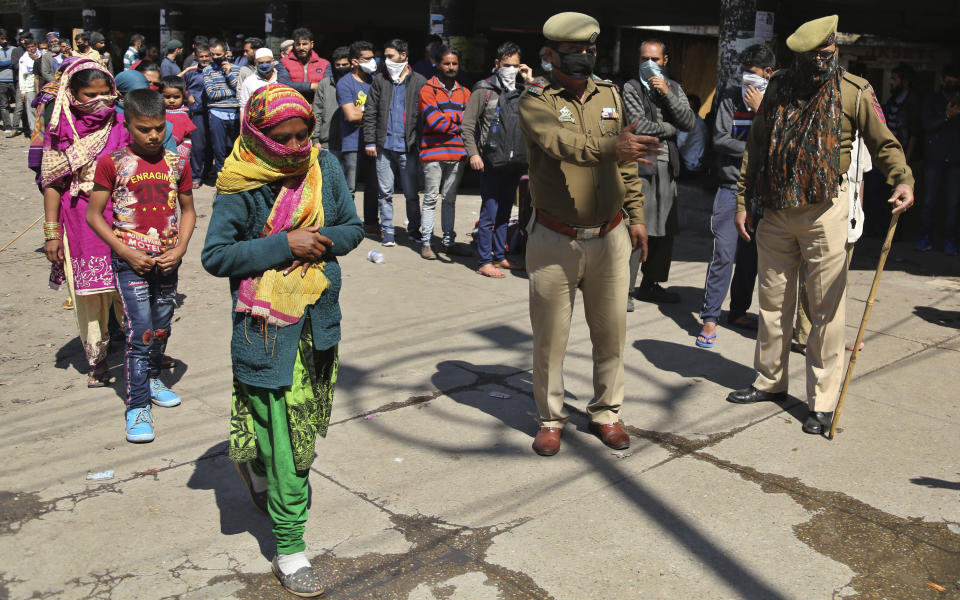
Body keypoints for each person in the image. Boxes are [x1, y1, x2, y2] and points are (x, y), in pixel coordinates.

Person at [201, 83, 363, 598]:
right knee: (290, 445)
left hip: (316, 324)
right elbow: (217, 256)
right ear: (256, 134)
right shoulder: (238, 182)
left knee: (297, 438)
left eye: (303, 136)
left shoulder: (325, 166)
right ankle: (290, 549)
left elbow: (352, 228)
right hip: (265, 331)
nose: (295, 149)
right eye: (283, 139)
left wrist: (320, 243)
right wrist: (281, 244)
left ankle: (259, 469)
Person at [728, 15, 915, 435]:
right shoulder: (778, 86)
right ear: (799, 57)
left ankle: (823, 401)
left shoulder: (854, 91)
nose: (822, 62)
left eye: (827, 54)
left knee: (826, 310)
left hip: (825, 211)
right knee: (773, 302)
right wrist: (743, 201)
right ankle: (770, 380)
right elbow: (756, 147)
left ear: (834, 50)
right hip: (775, 209)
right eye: (814, 56)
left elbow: (885, 142)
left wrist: (902, 178)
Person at [519, 12, 658, 456]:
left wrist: (636, 216)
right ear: (549, 55)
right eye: (574, 51)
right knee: (550, 338)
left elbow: (628, 161)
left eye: (590, 50)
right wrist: (611, 148)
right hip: (554, 239)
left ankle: (606, 412)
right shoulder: (534, 100)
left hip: (611, 236)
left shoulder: (611, 94)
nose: (584, 57)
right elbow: (561, 144)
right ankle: (550, 418)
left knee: (612, 332)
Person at [85, 87, 196, 442]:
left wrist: (179, 249)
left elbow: (189, 211)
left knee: (161, 325)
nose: (153, 136)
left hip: (167, 261)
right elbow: (94, 216)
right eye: (143, 129)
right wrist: (126, 251)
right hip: (130, 261)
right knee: (140, 331)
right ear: (127, 125)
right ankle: (137, 407)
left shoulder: (177, 161)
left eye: (159, 128)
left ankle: (150, 376)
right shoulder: (112, 162)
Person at [40, 58, 130, 387]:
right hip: (80, 218)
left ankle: (141, 351)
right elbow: (52, 182)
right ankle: (99, 359)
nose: (101, 102)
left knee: (130, 286)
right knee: (90, 293)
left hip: (124, 216)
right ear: (73, 95)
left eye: (107, 94)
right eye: (91, 95)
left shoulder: (123, 122)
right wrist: (52, 234)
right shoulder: (61, 128)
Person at [696, 43, 774, 348]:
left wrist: (761, 111)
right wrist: (754, 152)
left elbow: (779, 141)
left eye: (752, 74)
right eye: (744, 73)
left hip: (763, 193)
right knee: (724, 255)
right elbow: (721, 139)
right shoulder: (729, 96)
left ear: (768, 73)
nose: (747, 80)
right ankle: (710, 318)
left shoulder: (777, 100)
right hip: (730, 188)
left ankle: (738, 311)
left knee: (750, 258)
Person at [622, 39, 695, 307]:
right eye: (644, 59)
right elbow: (638, 125)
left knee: (665, 229)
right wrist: (669, 129)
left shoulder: (674, 88)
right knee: (636, 226)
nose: (649, 64)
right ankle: (624, 289)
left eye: (655, 59)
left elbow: (688, 121)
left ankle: (650, 284)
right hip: (642, 166)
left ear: (665, 62)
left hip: (668, 168)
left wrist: (666, 94)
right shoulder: (630, 87)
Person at [462, 41, 533, 274]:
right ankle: (484, 261)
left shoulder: (523, 90)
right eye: (506, 65)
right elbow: (468, 125)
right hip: (490, 161)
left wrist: (530, 80)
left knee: (505, 211)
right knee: (489, 212)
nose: (511, 69)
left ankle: (499, 255)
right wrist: (473, 154)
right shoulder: (483, 89)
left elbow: (543, 108)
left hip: (514, 162)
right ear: (496, 64)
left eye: (515, 65)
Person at [363, 39, 427, 243]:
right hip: (384, 146)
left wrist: (423, 145)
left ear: (403, 56)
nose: (387, 60)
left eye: (391, 56)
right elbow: (370, 112)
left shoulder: (419, 81)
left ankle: (414, 230)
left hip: (408, 146)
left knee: (411, 193)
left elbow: (425, 116)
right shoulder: (380, 80)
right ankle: (388, 231)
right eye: (386, 57)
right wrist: (370, 141)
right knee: (385, 192)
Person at [419, 46, 470, 255]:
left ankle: (448, 242)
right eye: (447, 63)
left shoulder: (465, 92)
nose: (451, 67)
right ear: (438, 64)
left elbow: (469, 122)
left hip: (457, 153)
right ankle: (426, 243)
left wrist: (449, 119)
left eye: (454, 63)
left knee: (450, 198)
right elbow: (434, 122)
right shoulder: (427, 89)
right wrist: (457, 120)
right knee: (431, 198)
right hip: (433, 152)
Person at [914, 64, 960, 255]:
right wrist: (947, 115)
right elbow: (927, 126)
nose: (951, 84)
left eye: (955, 81)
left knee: (953, 204)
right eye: (949, 80)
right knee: (929, 202)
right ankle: (925, 238)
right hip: (934, 160)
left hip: (956, 161)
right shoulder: (932, 100)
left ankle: (949, 241)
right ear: (942, 80)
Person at [335, 41, 377, 233]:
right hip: (352, 142)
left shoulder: (375, 80)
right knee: (349, 187)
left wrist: (362, 110)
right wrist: (374, 112)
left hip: (373, 141)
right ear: (354, 61)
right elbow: (351, 116)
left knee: (373, 185)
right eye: (366, 59)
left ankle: (371, 223)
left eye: (372, 57)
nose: (372, 62)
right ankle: (346, 223)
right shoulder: (345, 84)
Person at [203, 39, 240, 178]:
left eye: (218, 54)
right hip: (217, 112)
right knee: (218, 149)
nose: (215, 57)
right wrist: (232, 92)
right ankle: (220, 176)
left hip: (235, 113)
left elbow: (240, 89)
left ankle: (235, 176)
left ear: (226, 53)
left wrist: (228, 73)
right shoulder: (208, 70)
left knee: (236, 147)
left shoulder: (237, 69)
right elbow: (211, 93)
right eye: (213, 55)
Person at [281, 28, 331, 103]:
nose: (301, 48)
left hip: (317, 107)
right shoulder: (284, 62)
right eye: (298, 44)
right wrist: (311, 86)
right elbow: (283, 84)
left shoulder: (324, 64)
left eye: (304, 44)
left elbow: (327, 88)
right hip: (292, 106)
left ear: (312, 44)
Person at [160, 75, 196, 160]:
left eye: (176, 97)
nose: (171, 100)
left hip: (173, 154)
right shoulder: (163, 111)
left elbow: (174, 140)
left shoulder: (180, 117)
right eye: (167, 97)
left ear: (183, 97)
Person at [677, 94, 708, 174]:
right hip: (697, 164)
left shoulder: (690, 120)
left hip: (689, 166)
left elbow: (678, 144)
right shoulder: (699, 120)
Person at [15, 36, 39, 136]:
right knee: (31, 110)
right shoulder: (23, 59)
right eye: (28, 47)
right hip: (29, 87)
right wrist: (23, 91)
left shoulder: (41, 56)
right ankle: (34, 132)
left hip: (41, 86)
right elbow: (22, 76)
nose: (31, 49)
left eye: (32, 46)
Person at [0, 29, 14, 134]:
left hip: (14, 80)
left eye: (5, 39)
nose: (4, 41)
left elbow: (15, 62)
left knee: (20, 104)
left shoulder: (14, 50)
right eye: (2, 39)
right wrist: (9, 64)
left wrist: (4, 64)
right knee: (4, 104)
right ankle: (7, 124)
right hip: (1, 81)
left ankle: (19, 125)